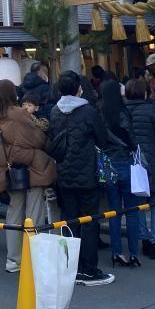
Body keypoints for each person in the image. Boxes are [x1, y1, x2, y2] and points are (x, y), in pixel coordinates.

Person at [48, 73, 115, 286]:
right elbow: (102, 138)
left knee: (69, 221)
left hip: (64, 175)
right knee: (88, 221)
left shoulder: (55, 111)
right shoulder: (88, 111)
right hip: (86, 174)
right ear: (79, 89)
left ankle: (70, 267)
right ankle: (89, 269)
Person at [0, 79, 55, 273]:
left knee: (14, 213)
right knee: (35, 213)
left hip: (12, 171)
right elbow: (38, 138)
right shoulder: (20, 114)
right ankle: (34, 257)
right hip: (32, 168)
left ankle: (13, 260)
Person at [123, 79, 155, 259]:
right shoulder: (151, 109)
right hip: (152, 160)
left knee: (138, 203)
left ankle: (143, 238)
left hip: (133, 162)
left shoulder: (123, 110)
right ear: (145, 93)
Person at [98, 78, 142, 268]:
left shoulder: (98, 111)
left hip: (107, 162)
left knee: (114, 211)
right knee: (132, 211)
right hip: (125, 161)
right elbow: (131, 138)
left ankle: (116, 253)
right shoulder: (123, 111)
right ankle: (133, 254)